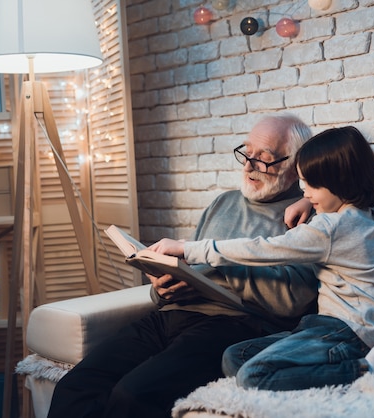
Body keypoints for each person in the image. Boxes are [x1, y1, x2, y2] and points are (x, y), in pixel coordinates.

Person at [46, 114, 320, 418]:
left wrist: (219, 270)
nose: (248, 165)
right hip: (170, 315)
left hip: (234, 326)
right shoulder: (223, 202)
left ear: (296, 167)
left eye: (264, 159)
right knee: (75, 387)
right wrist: (163, 289)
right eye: (246, 152)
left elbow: (294, 299)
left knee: (133, 394)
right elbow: (192, 264)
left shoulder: (308, 217)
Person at [151, 126, 374, 392]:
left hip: (352, 332)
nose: (303, 191)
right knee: (233, 358)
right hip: (332, 326)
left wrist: (189, 248)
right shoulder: (363, 216)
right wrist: (310, 202)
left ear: (340, 182)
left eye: (311, 185)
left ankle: (369, 369)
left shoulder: (331, 229)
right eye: (302, 182)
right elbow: (336, 212)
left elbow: (262, 249)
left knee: (253, 375)